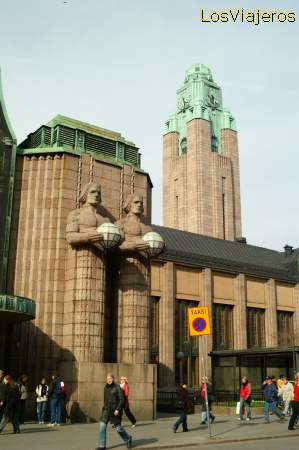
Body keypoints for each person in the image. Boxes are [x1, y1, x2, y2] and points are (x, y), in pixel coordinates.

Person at [96, 373, 132, 450]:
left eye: (110, 378)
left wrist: (118, 409)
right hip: (106, 410)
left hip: (115, 411)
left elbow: (122, 400)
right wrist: (104, 408)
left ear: (113, 379)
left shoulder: (117, 387)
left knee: (118, 428)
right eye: (107, 379)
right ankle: (102, 446)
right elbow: (105, 399)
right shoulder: (105, 387)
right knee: (102, 426)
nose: (109, 380)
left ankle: (128, 439)